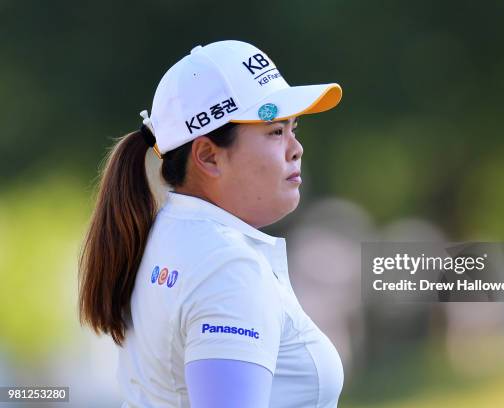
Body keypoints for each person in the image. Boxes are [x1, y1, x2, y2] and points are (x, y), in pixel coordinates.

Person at [77, 40, 344, 407]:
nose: (295, 147)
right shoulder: (228, 267)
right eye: (275, 131)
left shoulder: (165, 234)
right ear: (208, 156)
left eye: (292, 128)